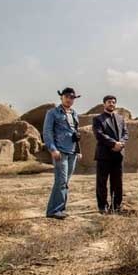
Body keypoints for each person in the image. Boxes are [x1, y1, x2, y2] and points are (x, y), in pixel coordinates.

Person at [43, 87, 82, 220]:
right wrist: (53, 149)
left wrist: (78, 150)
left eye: (72, 98)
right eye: (67, 97)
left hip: (72, 152)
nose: (69, 99)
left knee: (65, 182)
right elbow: (47, 132)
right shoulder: (52, 113)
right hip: (60, 151)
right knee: (61, 181)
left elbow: (76, 134)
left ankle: (59, 209)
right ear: (61, 97)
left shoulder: (74, 113)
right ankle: (54, 210)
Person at [92, 95, 129, 214]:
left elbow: (125, 134)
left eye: (113, 102)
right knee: (102, 182)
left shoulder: (120, 118)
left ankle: (116, 206)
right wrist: (113, 143)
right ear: (104, 104)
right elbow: (99, 134)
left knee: (117, 182)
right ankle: (102, 206)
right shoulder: (98, 119)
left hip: (118, 155)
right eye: (109, 102)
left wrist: (121, 143)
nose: (111, 104)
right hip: (104, 155)